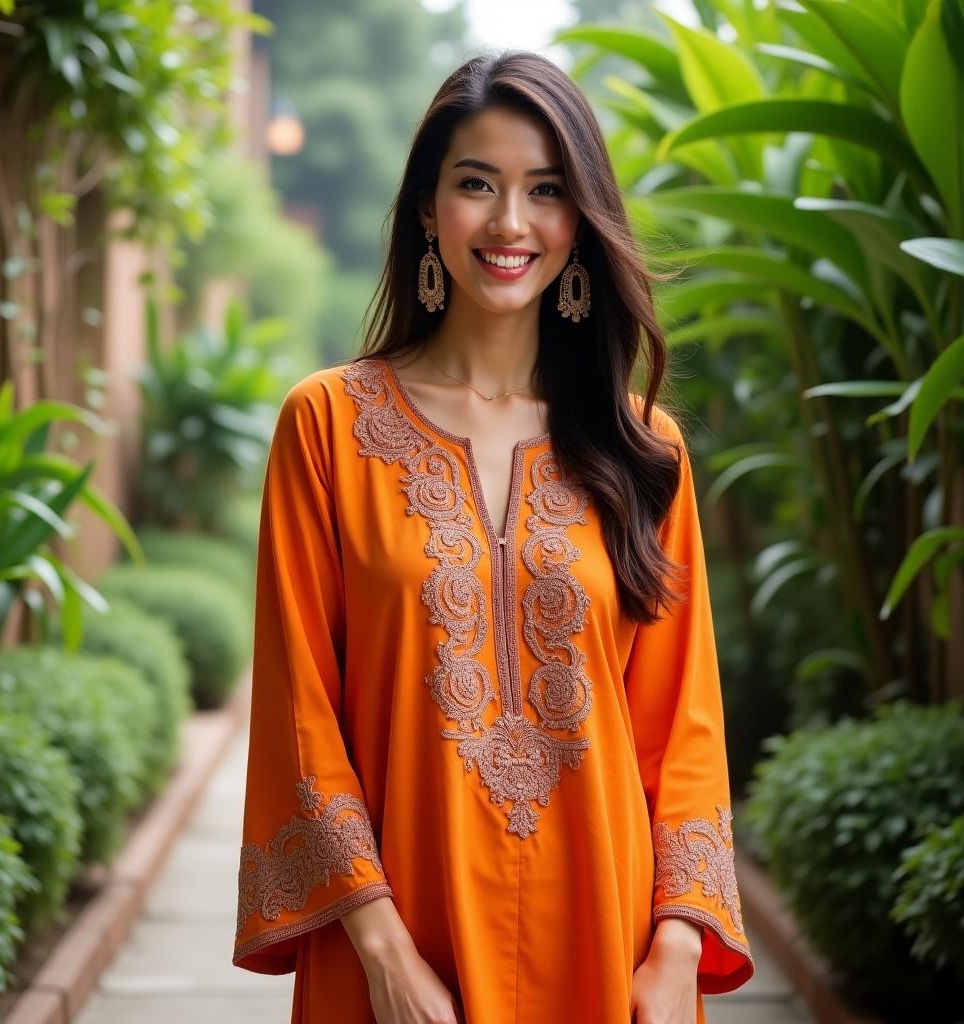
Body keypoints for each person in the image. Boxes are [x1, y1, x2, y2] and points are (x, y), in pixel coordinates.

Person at [231, 49, 755, 1024]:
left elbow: (683, 724)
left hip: (609, 951)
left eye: (545, 190)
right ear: (429, 208)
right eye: (477, 184)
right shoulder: (327, 429)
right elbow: (302, 713)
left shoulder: (644, 448)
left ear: (580, 220)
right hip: (392, 957)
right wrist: (383, 952)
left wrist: (677, 944)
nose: (510, 223)